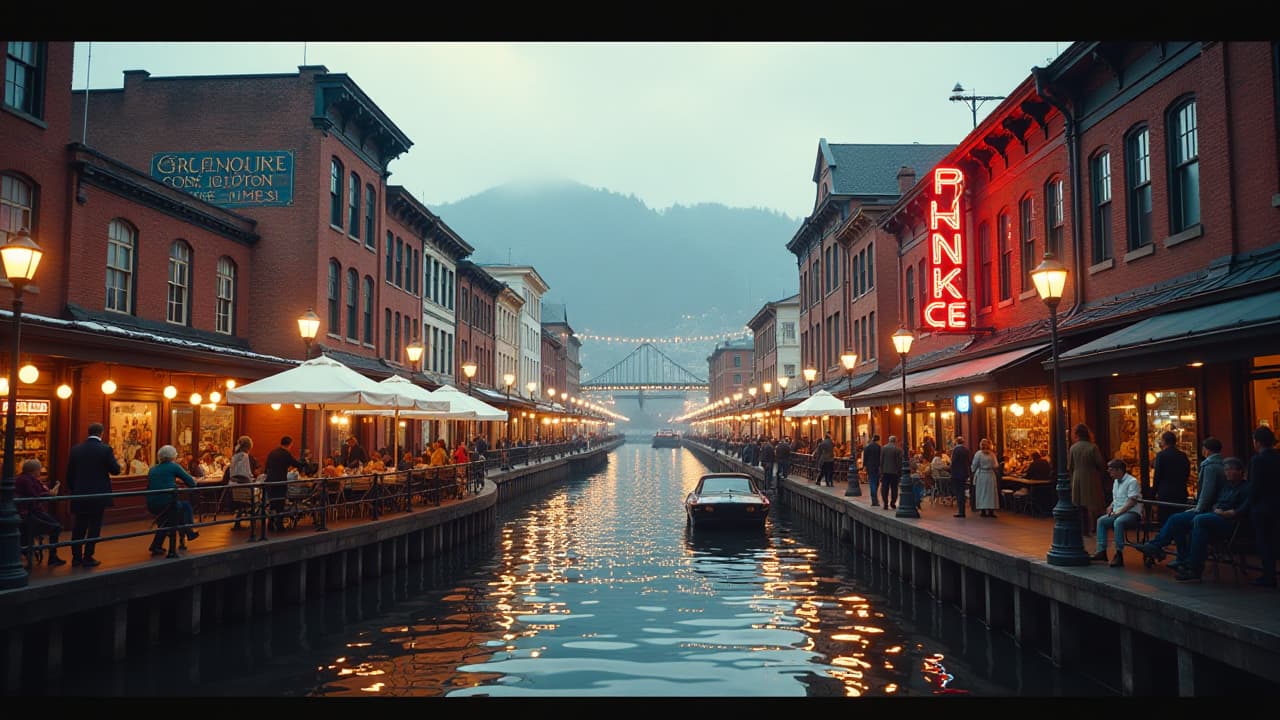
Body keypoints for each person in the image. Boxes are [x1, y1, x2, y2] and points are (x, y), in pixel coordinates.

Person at [1136, 457, 1252, 583]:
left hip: (1228, 522)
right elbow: (1216, 503)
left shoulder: (1246, 488)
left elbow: (1242, 510)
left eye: (1231, 470)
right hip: (1212, 515)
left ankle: (1192, 566)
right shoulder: (1226, 487)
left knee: (1199, 521)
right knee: (1177, 519)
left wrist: (1224, 513)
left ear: (1241, 471)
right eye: (1226, 470)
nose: (1227, 473)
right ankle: (1159, 547)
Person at [1132, 437, 1225, 572]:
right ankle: (1177, 554)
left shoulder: (1209, 466)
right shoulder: (1185, 456)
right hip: (1181, 493)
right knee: (1177, 522)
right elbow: (1188, 474)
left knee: (1175, 520)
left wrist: (1198, 509)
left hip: (1197, 506)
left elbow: (1207, 491)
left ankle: (1158, 546)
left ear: (1206, 449)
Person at [65, 422, 122, 568]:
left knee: (79, 526)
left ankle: (76, 557)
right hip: (98, 494)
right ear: (101, 433)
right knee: (94, 526)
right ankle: (88, 556)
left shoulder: (76, 449)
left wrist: (75, 489)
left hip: (80, 493)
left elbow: (70, 474)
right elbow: (115, 470)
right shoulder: (105, 449)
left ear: (88, 432)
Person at [146, 444, 199, 556]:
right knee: (185, 507)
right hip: (167, 502)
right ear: (173, 456)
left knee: (168, 519)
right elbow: (191, 482)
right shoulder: (173, 466)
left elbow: (159, 482)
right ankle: (188, 532)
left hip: (152, 503)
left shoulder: (153, 469)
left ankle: (156, 546)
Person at [1090, 459, 1143, 566]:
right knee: (1101, 521)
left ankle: (1119, 553)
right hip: (1118, 511)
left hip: (1131, 512)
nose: (1109, 473)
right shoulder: (1115, 482)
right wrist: (1111, 506)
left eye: (1111, 471)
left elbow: (1132, 501)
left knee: (1118, 522)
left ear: (1119, 470)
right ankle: (1101, 551)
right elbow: (1116, 498)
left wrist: (1119, 512)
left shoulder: (1132, 481)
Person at [15, 459, 65, 566]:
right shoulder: (26, 480)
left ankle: (51, 555)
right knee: (55, 527)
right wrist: (48, 494)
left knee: (56, 526)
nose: (40, 471)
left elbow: (38, 493)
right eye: (39, 469)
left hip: (33, 511)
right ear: (34, 470)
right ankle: (52, 557)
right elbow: (34, 495)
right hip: (28, 513)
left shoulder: (30, 479)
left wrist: (48, 493)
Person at [1248, 425, 1280, 588]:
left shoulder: (1258, 460)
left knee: (1264, 542)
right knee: (1275, 540)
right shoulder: (1277, 457)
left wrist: (1249, 504)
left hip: (1262, 507)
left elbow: (1255, 486)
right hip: (1276, 505)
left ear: (1258, 442)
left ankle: (1268, 575)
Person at [1068, 424, 1107, 536]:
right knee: (1093, 504)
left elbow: (1070, 466)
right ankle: (1094, 527)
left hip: (1077, 478)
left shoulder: (1073, 448)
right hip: (1091, 477)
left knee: (1080, 505)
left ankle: (1083, 528)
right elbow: (1100, 463)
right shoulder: (1092, 447)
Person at [264, 436, 305, 532]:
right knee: (280, 503)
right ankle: (279, 525)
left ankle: (270, 523)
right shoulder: (286, 454)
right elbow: (295, 463)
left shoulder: (272, 453)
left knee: (273, 502)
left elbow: (267, 467)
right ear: (290, 444)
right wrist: (304, 464)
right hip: (280, 481)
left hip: (270, 481)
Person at [1152, 430, 1191, 524]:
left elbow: (1157, 475)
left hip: (1165, 493)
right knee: (1179, 520)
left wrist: (1153, 493)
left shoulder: (1161, 456)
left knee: (1165, 521)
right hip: (1180, 492)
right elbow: (1187, 473)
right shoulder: (1183, 455)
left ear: (1164, 441)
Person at [971, 438, 1001, 518]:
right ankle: (990, 510)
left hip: (982, 474)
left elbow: (974, 465)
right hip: (990, 474)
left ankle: (983, 510)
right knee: (990, 493)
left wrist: (973, 470)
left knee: (983, 492)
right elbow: (996, 465)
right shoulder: (992, 454)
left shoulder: (978, 454)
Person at [879, 435, 904, 510]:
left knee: (884, 488)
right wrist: (899, 472)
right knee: (894, 488)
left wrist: (881, 471)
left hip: (885, 472)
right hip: (894, 472)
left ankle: (885, 503)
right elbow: (899, 462)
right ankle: (893, 503)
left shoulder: (883, 448)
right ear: (895, 441)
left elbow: (881, 461)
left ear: (889, 440)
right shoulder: (898, 450)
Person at [950, 436, 971, 518]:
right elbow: (969, 461)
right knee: (962, 491)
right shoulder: (966, 450)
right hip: (964, 474)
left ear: (956, 442)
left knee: (959, 492)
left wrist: (952, 471)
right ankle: (962, 510)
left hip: (957, 474)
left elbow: (953, 462)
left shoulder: (955, 450)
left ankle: (961, 511)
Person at [863, 434, 883, 507]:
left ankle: (874, 499)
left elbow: (865, 457)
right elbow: (880, 458)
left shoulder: (867, 447)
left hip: (869, 467)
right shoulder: (878, 447)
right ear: (878, 440)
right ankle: (875, 500)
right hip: (876, 467)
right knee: (876, 483)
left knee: (872, 482)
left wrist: (864, 466)